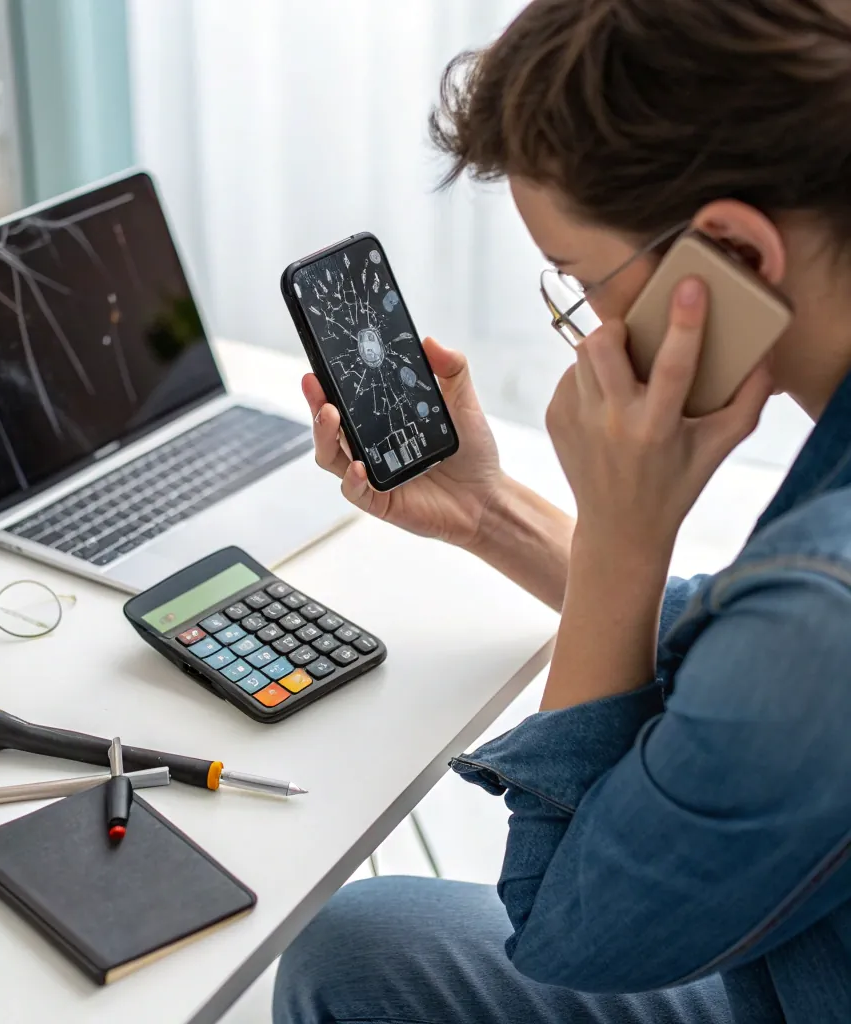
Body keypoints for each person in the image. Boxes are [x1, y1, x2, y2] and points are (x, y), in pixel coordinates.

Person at [272, 2, 851, 1022]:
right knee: (364, 946)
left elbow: (567, 931)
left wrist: (626, 530)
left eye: (582, 283)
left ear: (730, 256)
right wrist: (490, 512)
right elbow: (737, 659)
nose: (589, 335)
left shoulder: (823, 613)